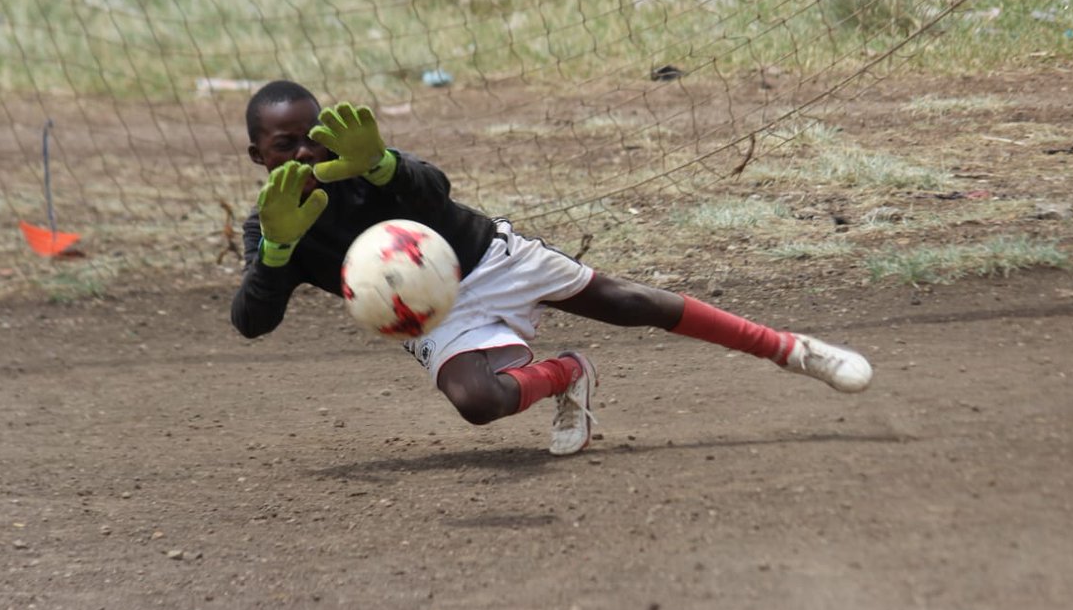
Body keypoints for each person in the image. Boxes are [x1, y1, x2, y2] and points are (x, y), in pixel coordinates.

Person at [232, 80, 873, 456]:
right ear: (258, 154)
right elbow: (251, 322)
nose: (307, 150)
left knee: (628, 304)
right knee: (478, 402)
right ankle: (569, 373)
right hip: (428, 313)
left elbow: (435, 190)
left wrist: (382, 165)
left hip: (487, 260)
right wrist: (277, 253)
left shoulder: (360, 159)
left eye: (313, 134)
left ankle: (792, 349)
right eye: (286, 144)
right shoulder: (272, 224)